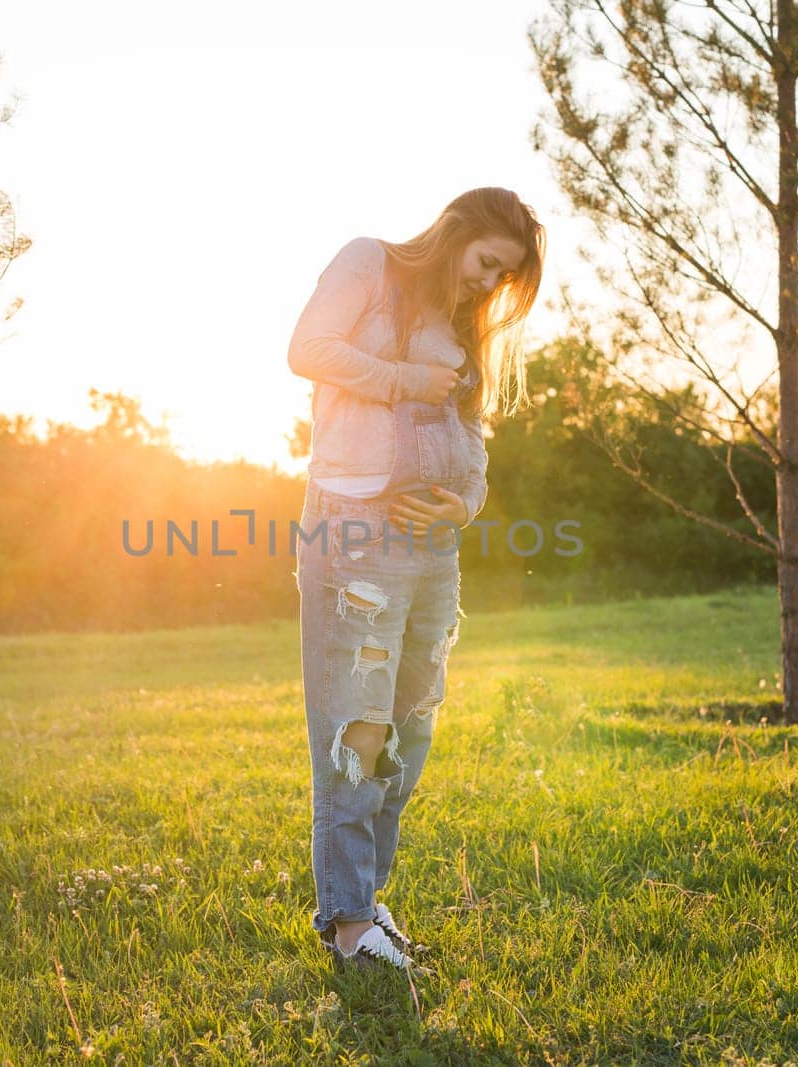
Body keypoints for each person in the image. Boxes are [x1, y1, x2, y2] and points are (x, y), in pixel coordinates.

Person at [286, 187, 545, 972]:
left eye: (503, 279)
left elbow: (473, 440)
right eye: (487, 264)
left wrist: (462, 506)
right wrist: (402, 377)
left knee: (410, 732)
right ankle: (350, 925)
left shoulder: (462, 328)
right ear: (457, 232)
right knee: (357, 731)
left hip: (433, 552)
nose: (487, 285)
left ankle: (366, 903)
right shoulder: (370, 263)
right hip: (356, 529)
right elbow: (307, 350)